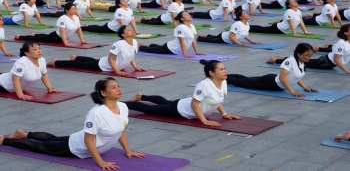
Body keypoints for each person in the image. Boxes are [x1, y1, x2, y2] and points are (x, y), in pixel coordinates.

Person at [0, 77, 146, 170]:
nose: (118, 89)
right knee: (38, 146)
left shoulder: (123, 106)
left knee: (53, 138)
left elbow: (122, 129)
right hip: (74, 148)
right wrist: (100, 162)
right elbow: (88, 140)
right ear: (103, 93)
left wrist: (128, 151)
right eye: (113, 87)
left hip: (76, 138)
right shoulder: (97, 113)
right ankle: (3, 140)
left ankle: (22, 133)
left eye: (118, 86)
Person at [125, 60, 241, 127]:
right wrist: (204, 121)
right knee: (148, 109)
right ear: (211, 72)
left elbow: (218, 99)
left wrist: (225, 114)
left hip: (181, 103)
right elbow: (195, 104)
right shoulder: (204, 85)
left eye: (224, 68)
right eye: (221, 69)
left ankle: (141, 96)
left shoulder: (223, 81)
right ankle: (120, 104)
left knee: (163, 102)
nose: (225, 71)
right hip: (180, 110)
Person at [213, 43, 319, 97]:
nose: (309, 57)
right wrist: (293, 92)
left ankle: (222, 75)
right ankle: (216, 77)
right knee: (239, 82)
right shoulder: (290, 61)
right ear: (298, 54)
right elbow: (282, 78)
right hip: (269, 83)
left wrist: (305, 87)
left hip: (272, 80)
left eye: (310, 55)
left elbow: (296, 76)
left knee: (245, 79)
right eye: (306, 55)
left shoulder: (301, 62)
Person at [47, 26, 146, 76]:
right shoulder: (119, 44)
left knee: (93, 60)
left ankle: (76, 57)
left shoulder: (134, 41)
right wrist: (117, 71)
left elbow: (131, 56)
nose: (131, 30)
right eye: (128, 30)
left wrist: (136, 67)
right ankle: (55, 62)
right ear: (123, 35)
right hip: (103, 66)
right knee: (78, 64)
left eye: (130, 29)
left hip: (105, 62)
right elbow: (110, 59)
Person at [268, 24, 350, 74]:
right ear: (346, 33)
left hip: (329, 64)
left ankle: (283, 58)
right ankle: (275, 60)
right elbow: (336, 59)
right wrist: (347, 71)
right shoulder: (341, 43)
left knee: (304, 61)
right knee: (300, 63)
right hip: (325, 63)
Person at [14, 3, 89, 48]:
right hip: (55, 37)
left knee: (44, 36)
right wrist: (66, 43)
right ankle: (20, 36)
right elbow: (62, 31)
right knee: (38, 39)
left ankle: (35, 34)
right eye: (73, 9)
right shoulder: (63, 18)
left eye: (75, 9)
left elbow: (79, 29)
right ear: (67, 10)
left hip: (62, 38)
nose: (75, 10)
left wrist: (82, 41)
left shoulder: (76, 18)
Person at [138, 11, 205, 58]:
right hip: (171, 48)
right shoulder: (180, 28)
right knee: (153, 50)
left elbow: (193, 39)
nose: (189, 15)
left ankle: (144, 44)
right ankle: (139, 47)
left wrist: (197, 52)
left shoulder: (192, 26)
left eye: (188, 14)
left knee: (158, 47)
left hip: (176, 49)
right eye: (186, 15)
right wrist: (185, 54)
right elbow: (182, 41)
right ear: (182, 19)